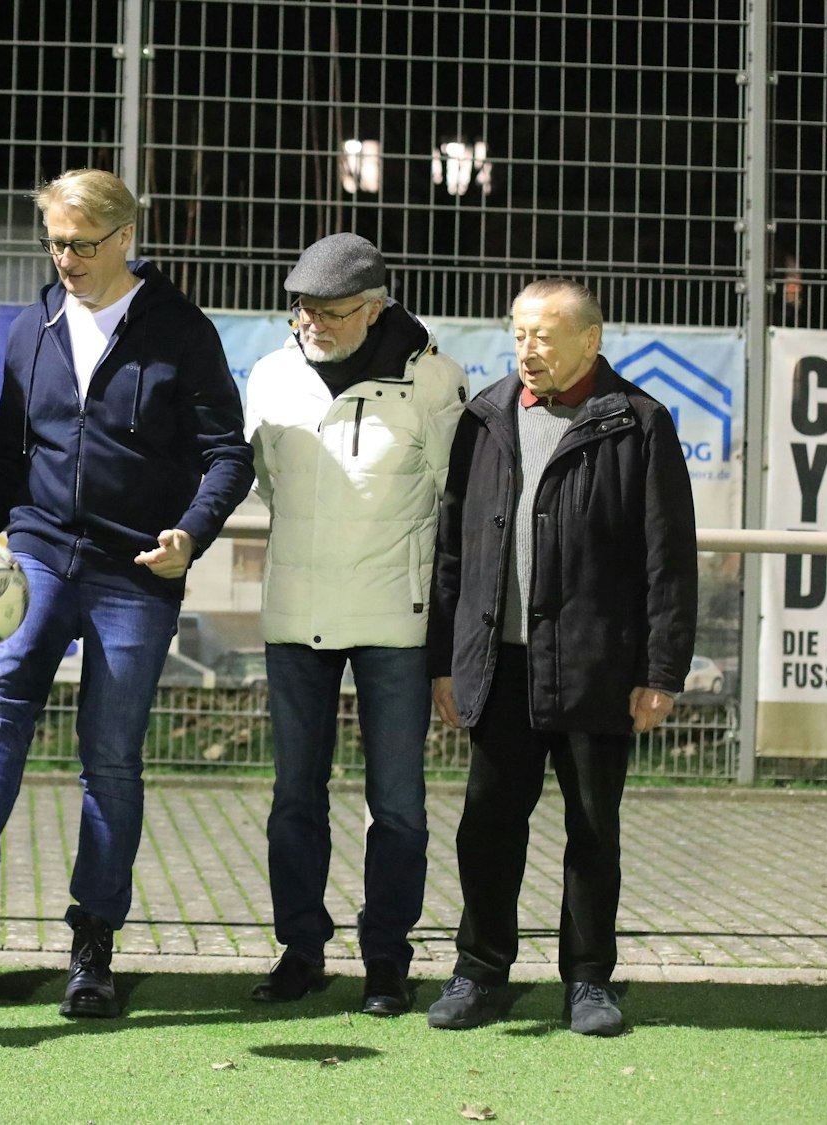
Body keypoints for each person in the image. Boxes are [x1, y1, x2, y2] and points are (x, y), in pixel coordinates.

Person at [0, 168, 253, 1019]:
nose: (67, 259)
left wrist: (189, 532)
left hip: (138, 570)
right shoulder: (35, 326)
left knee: (110, 757)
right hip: (42, 549)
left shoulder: (182, 330)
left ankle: (94, 941)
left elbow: (228, 455)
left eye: (83, 244)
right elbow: (8, 458)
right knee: (2, 690)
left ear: (126, 237)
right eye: (55, 244)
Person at [426, 278, 696, 1037]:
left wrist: (660, 671)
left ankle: (588, 980)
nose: (528, 349)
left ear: (590, 339)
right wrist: (444, 659)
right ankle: (480, 971)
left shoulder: (639, 422)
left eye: (544, 335)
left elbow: (668, 559)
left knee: (593, 830)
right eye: (519, 334)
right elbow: (453, 548)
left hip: (595, 666)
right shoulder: (485, 418)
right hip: (500, 666)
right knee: (487, 826)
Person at [241, 234, 467, 1015]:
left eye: (333, 311)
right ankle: (300, 949)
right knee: (293, 797)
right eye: (304, 308)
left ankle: (386, 958)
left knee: (397, 803)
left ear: (375, 308)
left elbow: (454, 505)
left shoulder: (435, 380)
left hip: (395, 621)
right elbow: (266, 483)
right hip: (295, 612)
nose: (314, 324)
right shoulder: (269, 375)